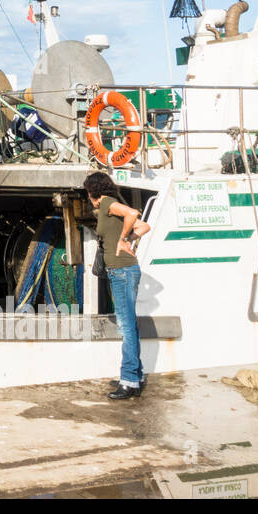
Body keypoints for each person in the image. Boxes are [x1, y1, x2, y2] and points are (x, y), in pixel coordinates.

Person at [84, 171, 151, 400]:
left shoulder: (107, 204)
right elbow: (143, 226)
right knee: (129, 325)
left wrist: (122, 240)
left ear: (93, 191)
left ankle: (129, 380)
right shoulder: (110, 205)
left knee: (126, 327)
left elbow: (133, 213)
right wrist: (127, 238)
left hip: (122, 271)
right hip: (124, 270)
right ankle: (137, 376)